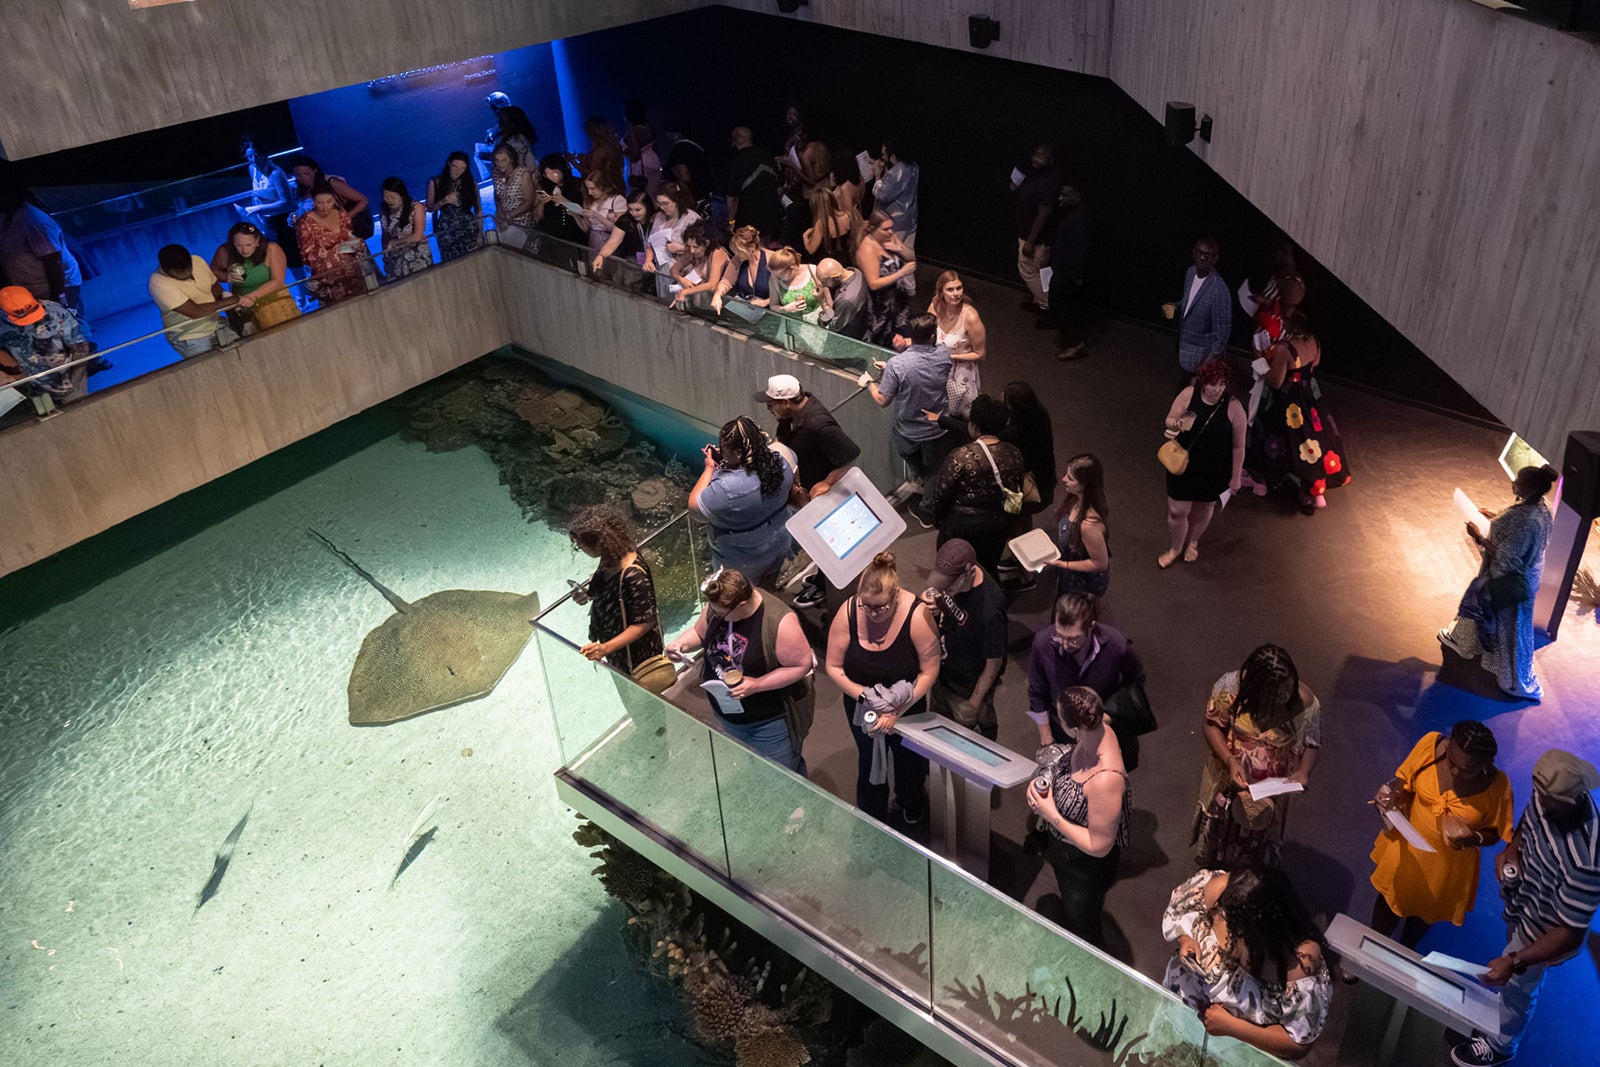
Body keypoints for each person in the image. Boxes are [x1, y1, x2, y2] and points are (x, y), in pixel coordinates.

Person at [1450, 749, 1600, 1067]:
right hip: (1523, 902)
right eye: (1537, 793)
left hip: (1544, 929)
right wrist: (1512, 852)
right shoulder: (1549, 800)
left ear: (1572, 801)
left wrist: (1516, 960)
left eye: (1546, 799)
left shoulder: (1587, 860)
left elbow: (1569, 934)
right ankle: (1503, 1008)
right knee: (1512, 974)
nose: (1538, 801)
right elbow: (1527, 825)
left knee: (1520, 984)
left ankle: (1503, 1045)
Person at [1365, 722, 1513, 952]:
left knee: (1424, 915)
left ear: (1485, 764)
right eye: (1450, 761)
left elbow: (1495, 833)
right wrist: (1391, 792)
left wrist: (1473, 838)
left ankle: (1403, 954)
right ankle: (1368, 950)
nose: (1454, 772)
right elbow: (1404, 781)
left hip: (1447, 867)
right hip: (1408, 846)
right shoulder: (1431, 746)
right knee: (1389, 901)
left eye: (1465, 769)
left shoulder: (1498, 786)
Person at [1162, 864, 1331, 1059]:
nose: (1221, 919)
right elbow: (1179, 908)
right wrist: (1186, 939)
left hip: (1228, 1049)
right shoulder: (1226, 890)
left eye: (1233, 924)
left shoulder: (1303, 973)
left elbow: (1297, 1044)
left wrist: (1233, 1027)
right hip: (1179, 1012)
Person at [824, 551, 940, 826]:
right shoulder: (849, 612)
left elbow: (929, 670)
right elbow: (833, 667)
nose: (873, 613)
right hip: (862, 705)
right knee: (869, 759)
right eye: (867, 606)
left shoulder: (917, 615)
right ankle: (873, 813)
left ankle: (911, 799)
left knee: (908, 759)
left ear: (896, 595)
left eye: (881, 607)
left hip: (907, 705)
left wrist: (898, 709)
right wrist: (866, 697)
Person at [665, 568, 815, 774]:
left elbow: (801, 665)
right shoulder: (720, 607)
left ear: (742, 605)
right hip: (728, 711)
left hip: (769, 720)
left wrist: (757, 685)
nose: (716, 615)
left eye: (720, 614)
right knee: (756, 767)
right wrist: (680, 644)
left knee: (782, 776)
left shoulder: (780, 622)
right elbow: (700, 633)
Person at [1191, 644, 1321, 868]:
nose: (1284, 698)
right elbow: (1211, 726)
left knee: (1259, 845)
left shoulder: (1305, 704)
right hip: (1229, 777)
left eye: (1288, 690)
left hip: (1271, 788)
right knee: (1222, 832)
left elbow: (1312, 743)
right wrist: (1230, 761)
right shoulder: (1230, 689)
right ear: (1255, 689)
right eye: (1275, 695)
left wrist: (1303, 771)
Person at [1438, 464, 1559, 701]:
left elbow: (1508, 558)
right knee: (1479, 605)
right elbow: (1516, 534)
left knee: (1511, 627)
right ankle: (1462, 640)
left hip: (1511, 581)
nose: (1512, 483)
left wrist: (1479, 537)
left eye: (1517, 482)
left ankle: (1514, 681)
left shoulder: (1527, 520)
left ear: (1528, 488)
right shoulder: (1542, 510)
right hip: (1522, 577)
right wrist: (1493, 516)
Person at [1026, 686, 1129, 947]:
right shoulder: (1098, 724)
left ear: (1073, 729)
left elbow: (1100, 845)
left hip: (1084, 867)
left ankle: (1086, 961)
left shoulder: (1106, 780)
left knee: (1082, 922)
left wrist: (1051, 813)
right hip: (1067, 855)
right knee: (1073, 908)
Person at [762, 373, 859, 608]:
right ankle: (821, 578)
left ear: (786, 402)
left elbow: (850, 453)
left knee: (826, 543)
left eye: (771, 403)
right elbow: (783, 437)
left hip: (821, 499)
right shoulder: (790, 417)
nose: (768, 407)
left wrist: (827, 481)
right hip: (803, 494)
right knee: (816, 542)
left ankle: (826, 589)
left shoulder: (818, 424)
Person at [1025, 592, 1147, 765]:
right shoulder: (1042, 643)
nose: (1065, 645)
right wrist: (1047, 739)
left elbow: (1136, 680)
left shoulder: (1116, 644)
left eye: (1074, 639)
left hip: (1105, 727)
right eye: (1060, 635)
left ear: (1091, 626)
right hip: (1063, 730)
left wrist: (1105, 716)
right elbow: (1036, 693)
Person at [1248, 310, 1350, 512]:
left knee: (1284, 440)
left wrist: (1261, 359)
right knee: (1314, 439)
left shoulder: (1287, 349)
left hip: (1289, 401)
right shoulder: (1315, 342)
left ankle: (1272, 479)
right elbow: (1315, 363)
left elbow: (1275, 382)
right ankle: (1315, 491)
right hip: (1309, 395)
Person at [865, 312, 952, 525]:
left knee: (912, 457)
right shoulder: (943, 354)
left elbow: (882, 399)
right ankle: (934, 486)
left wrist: (869, 383)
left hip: (908, 429)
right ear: (933, 336)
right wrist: (891, 368)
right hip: (937, 426)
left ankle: (928, 507)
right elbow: (917, 367)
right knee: (933, 467)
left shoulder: (898, 364)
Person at [1160, 357, 1245, 568]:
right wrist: (1177, 423)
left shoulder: (1234, 407)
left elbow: (1238, 446)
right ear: (1202, 381)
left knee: (1205, 508)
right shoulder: (1189, 396)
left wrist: (1236, 477)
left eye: (1222, 384)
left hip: (1214, 469)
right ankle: (1175, 548)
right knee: (1177, 511)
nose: (1217, 389)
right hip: (1185, 464)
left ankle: (1193, 541)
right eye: (1212, 383)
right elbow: (1169, 420)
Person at [689, 415, 795, 585]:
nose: (722, 454)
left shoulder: (725, 489)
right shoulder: (781, 460)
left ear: (738, 453)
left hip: (743, 559)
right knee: (769, 584)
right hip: (779, 541)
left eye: (724, 450)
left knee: (741, 594)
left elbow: (695, 511)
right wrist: (728, 464)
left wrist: (709, 468)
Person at [929, 394, 1026, 576]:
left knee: (953, 569)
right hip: (998, 523)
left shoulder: (961, 456)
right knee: (988, 567)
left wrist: (939, 521)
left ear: (973, 426)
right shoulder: (1014, 453)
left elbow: (942, 493)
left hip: (962, 525)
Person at [922, 539, 1007, 740]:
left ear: (969, 574)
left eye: (949, 584)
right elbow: (935, 592)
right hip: (943, 674)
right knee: (937, 731)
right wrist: (933, 602)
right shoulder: (954, 582)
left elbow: (994, 663)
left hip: (967, 688)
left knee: (969, 743)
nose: (945, 589)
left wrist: (974, 703)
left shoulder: (989, 609)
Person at [569, 503, 666, 678]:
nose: (581, 549)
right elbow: (609, 589)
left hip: (638, 658)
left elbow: (645, 622)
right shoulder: (609, 558)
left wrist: (605, 648)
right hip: (617, 651)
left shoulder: (634, 575)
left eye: (581, 546)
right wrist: (587, 593)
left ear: (599, 543)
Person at [0, 183, 83, 318]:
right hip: (33, 290)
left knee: (70, 326)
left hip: (54, 289)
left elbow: (53, 261)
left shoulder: (34, 221)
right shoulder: (10, 217)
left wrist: (59, 298)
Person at [0, 286, 91, 404]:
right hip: (29, 386)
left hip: (69, 378)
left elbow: (80, 346)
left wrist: (75, 383)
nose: (30, 321)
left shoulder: (56, 312)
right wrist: (12, 379)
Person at [148, 244, 240, 357]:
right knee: (210, 369)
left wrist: (228, 304)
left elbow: (215, 287)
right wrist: (234, 299)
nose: (186, 274)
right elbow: (195, 312)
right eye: (179, 273)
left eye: (188, 269)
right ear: (165, 269)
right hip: (191, 336)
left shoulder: (197, 260)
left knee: (239, 356)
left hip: (216, 324)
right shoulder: (158, 282)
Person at [1166, 237, 1231, 387]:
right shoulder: (1190, 273)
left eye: (1207, 255)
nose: (1202, 258)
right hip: (1186, 351)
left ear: (1215, 259)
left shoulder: (1219, 290)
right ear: (1193, 253)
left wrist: (1205, 369)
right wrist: (1175, 306)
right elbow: (1189, 302)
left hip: (1201, 362)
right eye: (1199, 253)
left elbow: (1221, 336)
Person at [210, 222, 299, 332]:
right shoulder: (224, 251)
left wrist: (251, 297)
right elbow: (211, 274)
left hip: (274, 302)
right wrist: (226, 276)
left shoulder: (272, 249)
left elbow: (278, 281)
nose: (244, 250)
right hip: (243, 305)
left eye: (248, 245)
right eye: (239, 245)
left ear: (257, 241)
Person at [1047, 453, 1110, 598]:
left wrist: (1062, 565)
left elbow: (1100, 563)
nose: (1063, 479)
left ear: (1084, 485)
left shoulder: (1088, 525)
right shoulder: (1076, 499)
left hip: (1082, 582)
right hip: (1070, 567)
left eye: (1070, 478)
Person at [295, 183, 367, 304]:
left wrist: (356, 244)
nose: (325, 207)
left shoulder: (341, 215)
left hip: (353, 274)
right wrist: (335, 251)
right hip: (328, 281)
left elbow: (349, 237)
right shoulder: (305, 223)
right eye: (320, 203)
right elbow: (307, 257)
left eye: (329, 202)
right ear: (313, 201)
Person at [237, 135, 298, 278]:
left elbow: (287, 203)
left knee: (292, 258)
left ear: (264, 154)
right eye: (249, 156)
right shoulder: (252, 169)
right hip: (265, 222)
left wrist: (259, 208)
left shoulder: (275, 173)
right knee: (273, 258)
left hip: (281, 221)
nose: (253, 159)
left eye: (256, 155)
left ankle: (303, 295)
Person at [928, 270, 986, 418]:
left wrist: (951, 356)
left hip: (961, 370)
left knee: (961, 412)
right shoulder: (934, 307)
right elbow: (927, 335)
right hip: (938, 365)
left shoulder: (970, 316)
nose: (956, 293)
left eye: (958, 288)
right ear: (941, 292)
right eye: (950, 289)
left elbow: (980, 353)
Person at [855, 209, 917, 348]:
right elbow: (874, 284)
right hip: (882, 309)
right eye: (885, 229)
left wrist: (898, 249)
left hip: (899, 305)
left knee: (904, 341)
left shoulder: (888, 237)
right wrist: (901, 273)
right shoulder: (867, 248)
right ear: (872, 229)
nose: (890, 232)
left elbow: (911, 258)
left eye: (891, 228)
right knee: (889, 345)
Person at [1044, 185, 1092, 360]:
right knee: (1060, 305)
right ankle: (1066, 337)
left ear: (1077, 195)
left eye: (1065, 195)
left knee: (1066, 308)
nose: (1060, 199)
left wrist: (1078, 274)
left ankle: (1074, 343)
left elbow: (1081, 248)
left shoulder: (1079, 219)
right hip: (1064, 270)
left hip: (1069, 273)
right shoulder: (1073, 215)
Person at [1013, 144, 1061, 315]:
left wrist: (1031, 242)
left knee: (1028, 271)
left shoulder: (1050, 180)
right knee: (1040, 273)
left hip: (1036, 240)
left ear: (1051, 158)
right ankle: (1039, 302)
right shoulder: (1037, 175)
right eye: (1035, 154)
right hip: (1030, 235)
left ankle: (1047, 305)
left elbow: (1044, 213)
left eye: (1041, 155)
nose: (1035, 158)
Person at [286, 156, 369, 241]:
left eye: (307, 174)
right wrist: (295, 216)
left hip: (341, 236)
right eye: (298, 175)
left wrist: (345, 218)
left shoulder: (331, 184)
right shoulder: (300, 192)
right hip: (317, 240)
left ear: (315, 170)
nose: (303, 178)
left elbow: (363, 200)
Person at [642, 182, 700, 301]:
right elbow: (650, 244)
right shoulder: (659, 217)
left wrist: (681, 248)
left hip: (684, 271)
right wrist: (648, 260)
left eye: (665, 203)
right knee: (664, 303)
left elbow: (702, 249)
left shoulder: (691, 219)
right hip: (663, 270)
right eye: (659, 203)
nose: (662, 207)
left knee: (681, 303)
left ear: (677, 201)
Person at [726, 126, 784, 241]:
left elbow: (732, 198)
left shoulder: (737, 162)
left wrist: (731, 222)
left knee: (749, 253)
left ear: (735, 141)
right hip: (771, 216)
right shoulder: (768, 157)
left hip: (747, 220)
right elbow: (780, 188)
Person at [426, 151, 483, 263]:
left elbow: (478, 209)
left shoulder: (470, 183)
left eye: (462, 168)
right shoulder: (436, 182)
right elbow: (430, 208)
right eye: (455, 167)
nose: (458, 171)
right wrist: (443, 201)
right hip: (447, 231)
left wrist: (480, 233)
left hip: (468, 227)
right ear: (449, 164)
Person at [378, 177, 433, 279]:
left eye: (392, 197)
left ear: (401, 195)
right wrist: (385, 255)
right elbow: (385, 236)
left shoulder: (416, 207)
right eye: (386, 197)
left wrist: (394, 242)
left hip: (417, 258)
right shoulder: (384, 214)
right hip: (396, 261)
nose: (389, 200)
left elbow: (418, 236)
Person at [591, 188, 653, 278]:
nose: (634, 213)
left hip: (653, 263)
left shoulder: (656, 218)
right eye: (630, 209)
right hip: (631, 263)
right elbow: (613, 242)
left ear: (647, 207)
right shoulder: (625, 220)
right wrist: (601, 255)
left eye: (638, 210)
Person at [870, 140, 919, 252]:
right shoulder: (913, 165)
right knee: (904, 249)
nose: (882, 157)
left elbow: (882, 195)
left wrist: (877, 176)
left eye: (884, 155)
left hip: (895, 222)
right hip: (907, 218)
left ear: (892, 156)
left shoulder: (899, 171)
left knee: (893, 254)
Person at [668, 223, 730, 309]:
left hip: (718, 304)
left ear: (707, 243)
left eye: (696, 247)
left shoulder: (717, 253)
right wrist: (681, 279)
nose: (692, 250)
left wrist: (684, 292)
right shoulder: (691, 252)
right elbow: (673, 269)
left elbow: (712, 284)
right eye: (689, 246)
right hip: (698, 302)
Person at [489, 144, 539, 250]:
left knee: (507, 246)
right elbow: (497, 197)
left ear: (511, 159)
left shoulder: (523, 174)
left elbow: (529, 202)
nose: (499, 164)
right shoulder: (495, 172)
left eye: (503, 160)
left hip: (521, 220)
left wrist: (508, 217)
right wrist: (501, 215)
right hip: (502, 219)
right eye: (497, 160)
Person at [712, 226, 771, 315]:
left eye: (739, 251)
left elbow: (786, 291)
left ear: (751, 247)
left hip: (769, 313)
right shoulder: (738, 259)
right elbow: (726, 281)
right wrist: (718, 294)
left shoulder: (771, 259)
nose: (736, 254)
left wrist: (767, 301)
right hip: (743, 311)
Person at [574, 171, 628, 267]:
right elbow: (586, 228)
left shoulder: (617, 200)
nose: (590, 193)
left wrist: (597, 216)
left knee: (610, 271)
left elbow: (618, 228)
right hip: (593, 241)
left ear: (603, 185)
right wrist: (575, 215)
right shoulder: (590, 202)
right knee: (595, 270)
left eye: (592, 188)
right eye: (588, 189)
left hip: (610, 242)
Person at [532, 154, 587, 244]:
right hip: (552, 236)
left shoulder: (578, 185)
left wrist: (564, 201)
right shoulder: (545, 189)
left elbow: (583, 212)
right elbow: (537, 217)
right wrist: (541, 203)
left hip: (575, 235)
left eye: (554, 171)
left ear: (561, 168)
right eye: (547, 174)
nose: (552, 176)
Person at [802, 184, 858, 264]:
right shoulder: (847, 215)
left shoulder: (821, 223)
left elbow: (811, 249)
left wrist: (805, 236)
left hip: (828, 263)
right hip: (845, 259)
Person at [816, 257, 868, 340]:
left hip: (850, 340)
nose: (824, 285)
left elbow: (834, 328)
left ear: (836, 277)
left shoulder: (846, 300)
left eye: (824, 282)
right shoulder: (855, 272)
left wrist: (823, 302)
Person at [664, 125, 713, 212]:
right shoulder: (696, 148)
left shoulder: (680, 149)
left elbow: (684, 177)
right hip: (703, 195)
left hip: (691, 198)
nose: (666, 135)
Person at [622, 98, 662, 196]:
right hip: (652, 162)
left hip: (640, 167)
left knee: (641, 195)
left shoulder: (634, 132)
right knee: (653, 192)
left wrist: (622, 150)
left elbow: (635, 155)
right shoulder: (649, 128)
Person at [577, 116, 626, 194]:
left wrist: (574, 163)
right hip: (613, 186)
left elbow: (592, 175)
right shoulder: (605, 147)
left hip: (607, 191)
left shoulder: (600, 150)